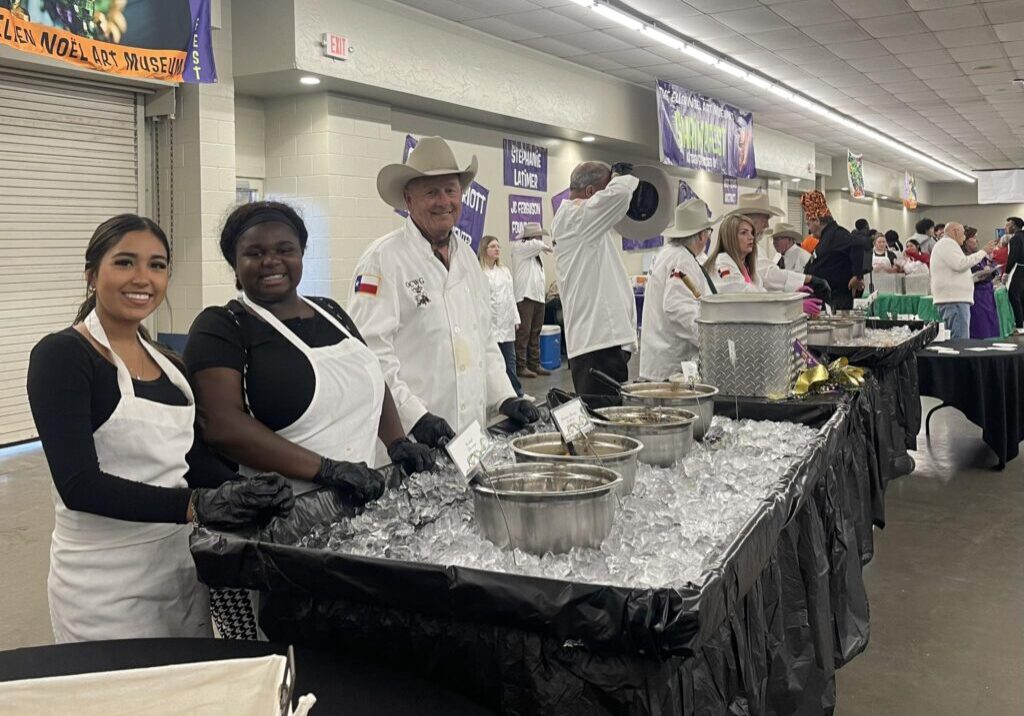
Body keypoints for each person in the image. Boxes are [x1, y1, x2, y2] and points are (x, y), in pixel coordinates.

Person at [27, 214, 294, 644]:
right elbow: (79, 484)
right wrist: (197, 505)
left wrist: (244, 489)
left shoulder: (168, 362)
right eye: (125, 262)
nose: (143, 278)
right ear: (92, 274)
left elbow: (186, 457)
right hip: (103, 585)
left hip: (179, 572)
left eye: (157, 265)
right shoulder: (63, 356)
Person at [185, 201, 435, 509]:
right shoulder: (222, 326)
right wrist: (326, 469)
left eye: (285, 249)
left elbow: (372, 378)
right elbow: (222, 426)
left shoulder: (330, 311)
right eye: (255, 253)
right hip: (286, 515)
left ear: (301, 253)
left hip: (364, 503)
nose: (271, 261)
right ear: (234, 263)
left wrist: (396, 440)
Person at [349, 136, 538, 445]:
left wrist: (505, 396)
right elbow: (371, 353)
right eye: (431, 192)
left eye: (451, 190)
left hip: (471, 437)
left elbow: (484, 339)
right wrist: (414, 416)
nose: (443, 201)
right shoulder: (382, 260)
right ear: (409, 200)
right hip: (412, 442)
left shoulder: (466, 256)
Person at [553, 160, 639, 408]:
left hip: (601, 345)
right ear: (591, 193)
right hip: (597, 346)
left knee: (608, 423)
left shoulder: (582, 224)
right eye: (605, 188)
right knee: (606, 428)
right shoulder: (575, 218)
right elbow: (621, 194)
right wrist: (621, 176)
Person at [639, 200, 717, 381]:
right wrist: (708, 340)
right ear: (700, 236)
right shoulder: (682, 259)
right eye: (707, 233)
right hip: (671, 367)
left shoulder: (667, 254)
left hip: (660, 363)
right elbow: (677, 307)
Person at [706, 215, 822, 316]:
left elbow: (762, 294)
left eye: (751, 232)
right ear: (730, 237)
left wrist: (791, 296)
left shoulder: (746, 267)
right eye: (743, 233)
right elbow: (747, 298)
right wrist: (793, 306)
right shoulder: (722, 264)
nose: (751, 237)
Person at [929, 222, 996, 339]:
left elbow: (956, 271)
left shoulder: (948, 245)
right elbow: (960, 264)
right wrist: (983, 252)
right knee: (960, 340)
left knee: (959, 338)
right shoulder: (947, 244)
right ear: (955, 231)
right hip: (954, 300)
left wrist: (974, 278)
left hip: (955, 299)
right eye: (963, 233)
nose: (964, 237)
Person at [801, 190, 865, 310]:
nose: (809, 229)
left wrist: (857, 276)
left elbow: (859, 244)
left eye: (808, 224)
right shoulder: (827, 237)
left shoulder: (837, 235)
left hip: (838, 301)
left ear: (817, 221)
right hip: (826, 300)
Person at [478, 235, 523, 397]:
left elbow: (511, 296)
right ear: (484, 250)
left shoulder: (504, 271)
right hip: (489, 325)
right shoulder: (479, 272)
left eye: (498, 246)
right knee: (492, 363)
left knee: (510, 360)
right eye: (493, 246)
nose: (497, 249)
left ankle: (517, 393)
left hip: (506, 323)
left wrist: (516, 319)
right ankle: (494, 397)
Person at [511, 222, 552, 378]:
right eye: (538, 234)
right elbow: (535, 244)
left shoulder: (534, 254)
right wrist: (545, 246)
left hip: (537, 298)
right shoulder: (520, 248)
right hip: (525, 297)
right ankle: (520, 366)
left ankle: (534, 364)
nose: (540, 237)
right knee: (524, 334)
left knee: (535, 332)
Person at [964, 227, 1001, 340]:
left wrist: (989, 271)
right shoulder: (964, 258)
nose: (977, 240)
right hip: (976, 296)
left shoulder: (980, 256)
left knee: (990, 328)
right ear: (965, 240)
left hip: (987, 295)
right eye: (974, 237)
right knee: (979, 327)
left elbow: (991, 272)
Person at [1004, 216, 1024, 331]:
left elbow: (1012, 257)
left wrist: (1006, 273)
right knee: (1022, 296)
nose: (1006, 227)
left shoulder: (1015, 239)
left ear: (1014, 226)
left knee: (1014, 296)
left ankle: (1019, 326)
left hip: (1019, 269)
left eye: (1007, 225)